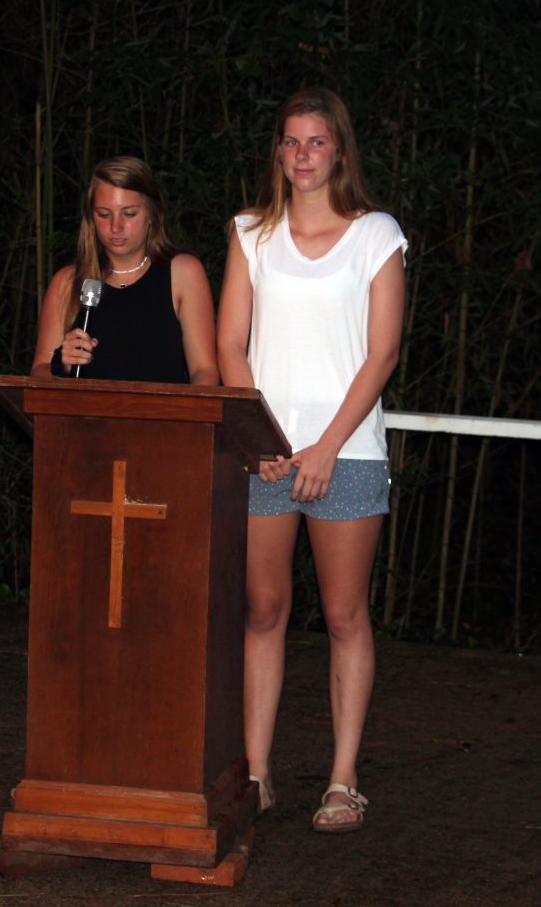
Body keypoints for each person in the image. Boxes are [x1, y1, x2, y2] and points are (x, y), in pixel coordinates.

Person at [216, 88, 406, 833]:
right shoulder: (251, 233)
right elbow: (230, 344)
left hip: (346, 454)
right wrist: (262, 441)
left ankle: (342, 780)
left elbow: (382, 353)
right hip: (266, 457)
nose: (303, 155)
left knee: (343, 613)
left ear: (339, 151)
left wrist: (326, 447)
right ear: (278, 152)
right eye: (291, 141)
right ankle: (255, 774)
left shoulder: (375, 235)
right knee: (262, 609)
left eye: (316, 142)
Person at [31, 156, 218, 385]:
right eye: (104, 214)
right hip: (88, 409)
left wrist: (190, 407)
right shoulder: (67, 282)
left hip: (163, 408)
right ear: (90, 217)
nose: (115, 227)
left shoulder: (183, 273)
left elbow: (205, 370)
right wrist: (61, 363)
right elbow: (38, 372)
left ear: (152, 214)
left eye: (129, 214)